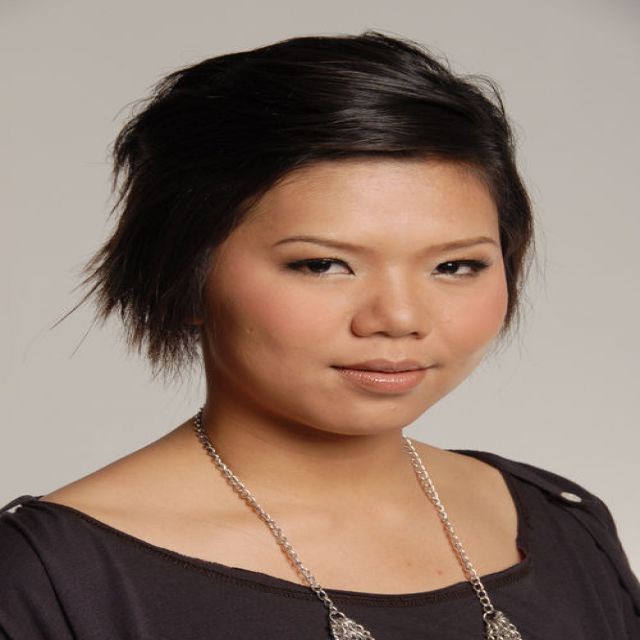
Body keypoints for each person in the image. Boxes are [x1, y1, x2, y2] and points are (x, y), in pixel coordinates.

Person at [0, 30, 638, 640]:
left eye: (454, 266)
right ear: (182, 275)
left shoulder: (561, 521)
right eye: (323, 264)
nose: (399, 317)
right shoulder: (51, 579)